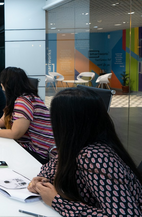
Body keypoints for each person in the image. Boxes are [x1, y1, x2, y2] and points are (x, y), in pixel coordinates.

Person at [28, 87, 142, 216]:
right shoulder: (75, 146)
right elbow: (52, 166)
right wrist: (42, 180)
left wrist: (57, 202)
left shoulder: (94, 157)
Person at [0, 67, 55, 164]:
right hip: (29, 147)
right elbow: (3, 121)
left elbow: (15, 133)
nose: (1, 84)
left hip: (38, 152)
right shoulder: (17, 99)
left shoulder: (24, 101)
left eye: (2, 81)